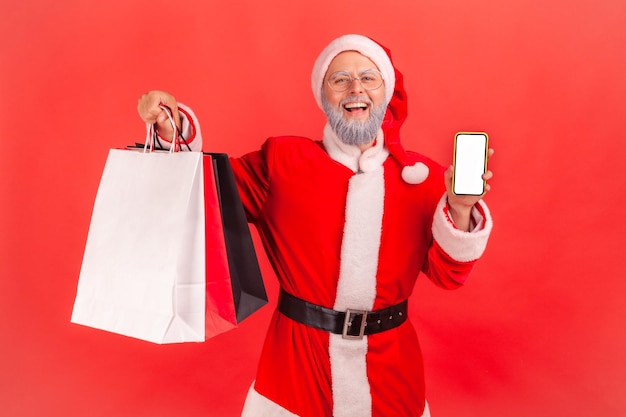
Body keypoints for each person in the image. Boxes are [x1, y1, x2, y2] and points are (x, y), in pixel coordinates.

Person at [137, 34, 494, 417]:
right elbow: (206, 193)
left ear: (386, 92)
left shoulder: (422, 179)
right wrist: (170, 130)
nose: (355, 88)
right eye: (339, 79)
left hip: (392, 372)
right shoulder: (281, 162)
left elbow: (448, 276)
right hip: (296, 368)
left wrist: (458, 209)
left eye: (368, 78)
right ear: (324, 96)